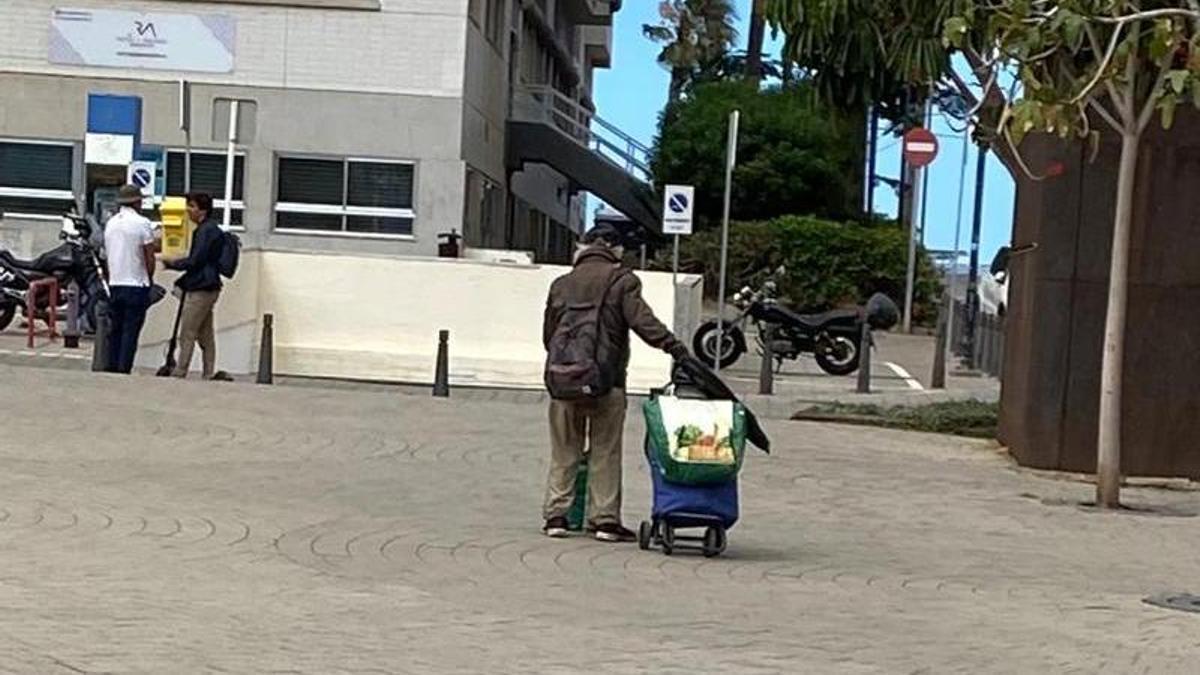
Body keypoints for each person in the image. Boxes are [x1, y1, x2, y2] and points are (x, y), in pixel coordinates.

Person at [541, 223, 689, 542]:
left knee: (564, 449)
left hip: (562, 381)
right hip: (607, 381)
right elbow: (642, 322)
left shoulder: (561, 284)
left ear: (583, 247)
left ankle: (557, 516)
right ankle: (604, 521)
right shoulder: (623, 280)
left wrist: (568, 365)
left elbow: (548, 335)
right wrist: (674, 347)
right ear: (615, 249)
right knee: (604, 451)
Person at [165, 192, 226, 380]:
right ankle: (208, 372)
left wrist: (173, 264)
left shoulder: (204, 231)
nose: (188, 210)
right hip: (210, 286)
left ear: (203, 210)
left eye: (192, 206)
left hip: (201, 287)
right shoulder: (212, 229)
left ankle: (180, 370)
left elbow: (195, 260)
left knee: (188, 331)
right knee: (205, 332)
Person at [104, 185, 157, 374]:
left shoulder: (111, 223)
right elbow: (149, 256)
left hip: (116, 283)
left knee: (115, 329)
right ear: (136, 202)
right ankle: (123, 368)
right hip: (136, 284)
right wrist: (150, 279)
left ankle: (111, 364)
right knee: (130, 331)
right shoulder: (143, 223)